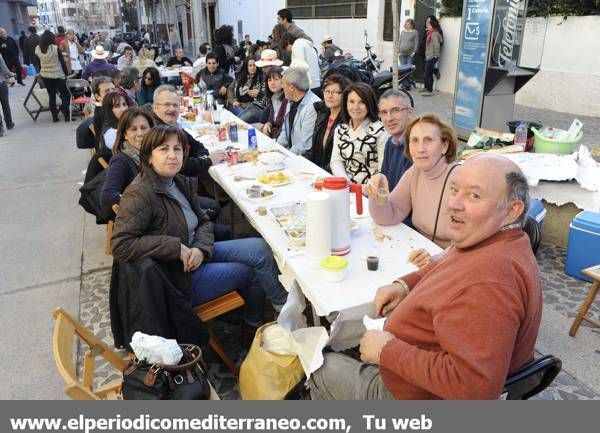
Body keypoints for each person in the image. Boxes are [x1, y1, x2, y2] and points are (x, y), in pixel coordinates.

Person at [310, 154, 543, 400]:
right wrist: (404, 285)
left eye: (474, 195)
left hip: (413, 394)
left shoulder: (490, 282)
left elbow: (477, 389)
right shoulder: (496, 239)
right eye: (454, 189)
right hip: (414, 367)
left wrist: (386, 351)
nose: (454, 203)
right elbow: (446, 259)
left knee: (319, 367)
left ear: (512, 210)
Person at [111, 125, 289, 334]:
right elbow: (120, 244)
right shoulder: (140, 193)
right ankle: (254, 325)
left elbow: (204, 221)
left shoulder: (176, 181)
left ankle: (281, 308)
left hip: (195, 253)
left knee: (259, 248)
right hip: (177, 277)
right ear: (149, 156)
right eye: (163, 149)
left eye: (177, 149)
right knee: (251, 272)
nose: (172, 155)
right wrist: (174, 248)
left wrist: (200, 248)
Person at [365, 113, 458, 268]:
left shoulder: (460, 179)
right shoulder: (415, 172)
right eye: (414, 141)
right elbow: (389, 215)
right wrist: (379, 192)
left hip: (450, 264)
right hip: (421, 257)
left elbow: (471, 242)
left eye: (428, 140)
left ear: (444, 146)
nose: (420, 149)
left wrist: (437, 259)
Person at [330, 82, 388, 184]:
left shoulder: (381, 130)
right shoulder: (340, 130)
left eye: (361, 102)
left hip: (371, 191)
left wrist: (364, 189)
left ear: (369, 104)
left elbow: (383, 169)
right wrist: (346, 182)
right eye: (351, 102)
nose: (356, 107)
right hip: (345, 186)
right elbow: (335, 160)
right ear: (345, 104)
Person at [100, 107, 154, 214]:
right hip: (142, 215)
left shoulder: (156, 151)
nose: (140, 133)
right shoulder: (120, 161)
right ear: (125, 134)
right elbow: (107, 195)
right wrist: (141, 203)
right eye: (133, 129)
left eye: (144, 128)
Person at [309, 74, 350, 172]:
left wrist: (320, 172)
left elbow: (342, 159)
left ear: (344, 95)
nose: (330, 96)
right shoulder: (322, 115)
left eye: (335, 92)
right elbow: (314, 150)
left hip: (334, 175)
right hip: (318, 172)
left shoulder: (347, 120)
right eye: (327, 91)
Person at [276, 67, 320, 155]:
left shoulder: (312, 106)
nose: (282, 87)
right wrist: (276, 149)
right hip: (292, 153)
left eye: (283, 84)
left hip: (302, 159)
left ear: (292, 88)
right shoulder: (291, 100)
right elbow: (285, 131)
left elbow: (305, 145)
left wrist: (286, 156)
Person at [376, 89, 414, 191]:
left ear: (410, 112)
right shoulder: (390, 142)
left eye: (396, 110)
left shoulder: (417, 145)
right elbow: (384, 185)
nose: (389, 119)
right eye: (384, 112)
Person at [35, 30, 71, 123]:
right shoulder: (55, 48)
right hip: (58, 75)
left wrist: (40, 71)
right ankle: (67, 116)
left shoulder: (38, 49)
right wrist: (66, 74)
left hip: (45, 75)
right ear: (51, 38)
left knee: (52, 96)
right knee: (65, 95)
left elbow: (38, 63)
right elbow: (62, 62)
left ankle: (55, 118)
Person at [254, 65, 287, 139]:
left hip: (280, 138)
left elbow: (284, 128)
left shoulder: (287, 99)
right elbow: (271, 119)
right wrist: (268, 124)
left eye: (276, 79)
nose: (272, 83)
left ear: (283, 81)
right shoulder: (273, 97)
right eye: (269, 80)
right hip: (272, 132)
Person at [227, 57, 264, 122]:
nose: (253, 67)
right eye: (250, 65)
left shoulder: (261, 78)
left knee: (243, 116)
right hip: (237, 104)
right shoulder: (240, 77)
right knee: (239, 112)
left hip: (251, 108)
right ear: (246, 67)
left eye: (254, 65)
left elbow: (261, 99)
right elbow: (230, 89)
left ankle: (232, 126)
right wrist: (233, 101)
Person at [421, 16, 443, 96]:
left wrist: (436, 55)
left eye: (429, 25)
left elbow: (437, 45)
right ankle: (428, 88)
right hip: (428, 56)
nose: (427, 26)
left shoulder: (434, 34)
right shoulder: (430, 33)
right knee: (428, 72)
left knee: (427, 73)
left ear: (432, 26)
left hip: (432, 56)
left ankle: (429, 90)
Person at [398, 19, 418, 90]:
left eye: (408, 24)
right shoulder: (402, 32)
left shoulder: (415, 32)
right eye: (405, 23)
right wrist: (398, 50)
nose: (406, 25)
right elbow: (400, 41)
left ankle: (408, 84)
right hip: (402, 54)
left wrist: (414, 52)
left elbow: (416, 43)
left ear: (411, 25)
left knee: (409, 69)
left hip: (410, 54)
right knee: (402, 70)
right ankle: (404, 85)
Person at [0, 55, 16, 136]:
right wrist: (12, 74)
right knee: (5, 104)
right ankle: (9, 123)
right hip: (1, 83)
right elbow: (5, 69)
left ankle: (0, 129)